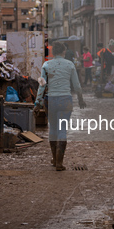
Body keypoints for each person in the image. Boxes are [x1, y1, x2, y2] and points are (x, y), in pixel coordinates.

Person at [34, 42, 86, 171]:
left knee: (53, 129)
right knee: (62, 130)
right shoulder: (70, 65)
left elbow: (42, 85)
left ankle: (54, 159)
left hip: (50, 100)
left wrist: (37, 103)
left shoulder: (46, 65)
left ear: (53, 52)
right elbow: (77, 86)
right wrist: (80, 99)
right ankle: (59, 163)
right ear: (64, 51)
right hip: (65, 100)